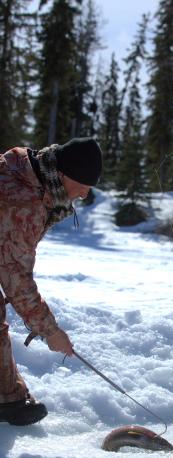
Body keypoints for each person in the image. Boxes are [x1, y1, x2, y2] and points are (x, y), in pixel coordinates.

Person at [0, 137, 102, 426]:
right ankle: (7, 400)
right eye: (82, 186)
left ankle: (8, 399)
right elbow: (16, 277)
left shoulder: (27, 170)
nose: (83, 195)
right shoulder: (22, 200)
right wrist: (50, 331)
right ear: (63, 174)